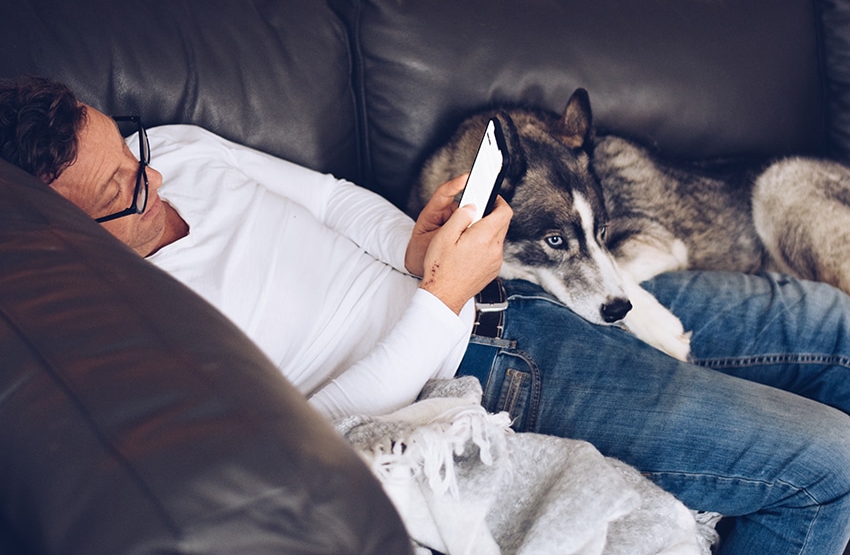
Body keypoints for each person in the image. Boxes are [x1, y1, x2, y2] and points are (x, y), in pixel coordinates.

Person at [4, 76, 850, 554]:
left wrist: (417, 251)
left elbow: (334, 202)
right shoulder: (125, 321)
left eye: (129, 149)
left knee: (835, 331)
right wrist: (441, 299)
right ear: (52, 232)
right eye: (120, 193)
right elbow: (307, 429)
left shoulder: (175, 148)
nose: (154, 183)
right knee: (831, 468)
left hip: (519, 284)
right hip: (491, 369)